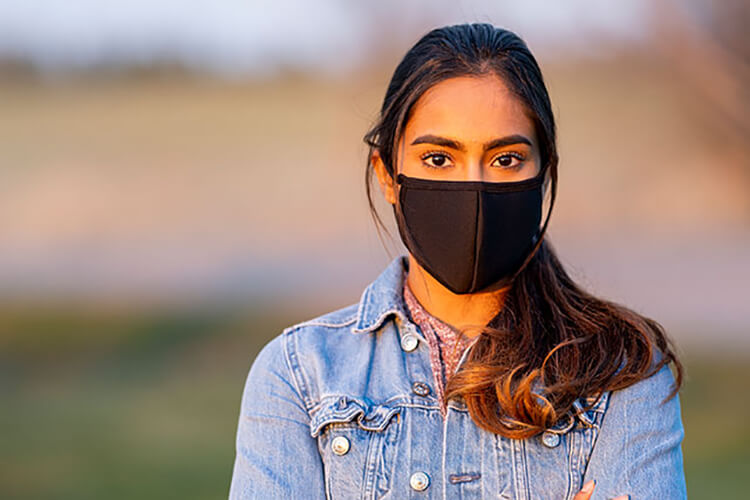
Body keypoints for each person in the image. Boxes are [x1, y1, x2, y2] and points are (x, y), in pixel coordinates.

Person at [228, 23, 686, 500]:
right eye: (438, 159)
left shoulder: (620, 370)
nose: (472, 189)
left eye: (506, 158)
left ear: (543, 175)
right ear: (387, 174)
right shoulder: (299, 375)